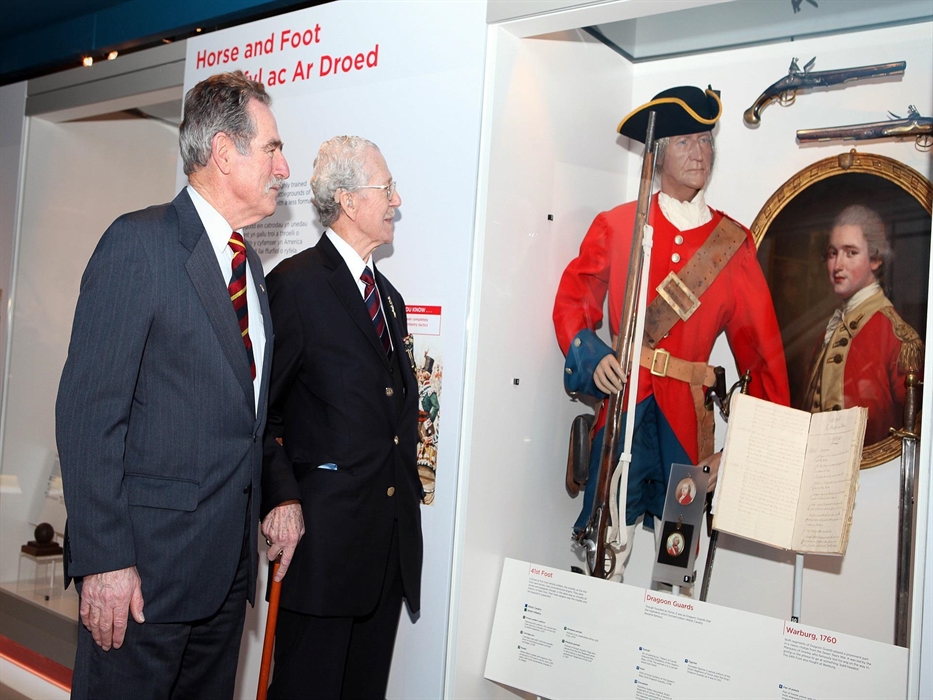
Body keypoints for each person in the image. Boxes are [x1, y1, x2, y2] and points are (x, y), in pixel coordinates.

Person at [56, 71, 288, 699]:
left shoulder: (251, 266)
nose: (283, 167)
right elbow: (88, 414)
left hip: (221, 580)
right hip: (140, 580)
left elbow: (244, 418)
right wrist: (104, 560)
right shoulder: (139, 243)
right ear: (223, 153)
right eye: (271, 148)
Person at [553, 85, 790, 575]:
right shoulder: (618, 227)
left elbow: (763, 355)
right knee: (605, 555)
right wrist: (594, 356)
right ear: (658, 155)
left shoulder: (733, 245)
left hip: (687, 428)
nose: (699, 153)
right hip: (624, 416)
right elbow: (574, 301)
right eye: (684, 141)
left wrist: (747, 447)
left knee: (675, 567)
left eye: (706, 141)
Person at [260, 135, 422, 699]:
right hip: (324, 555)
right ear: (350, 201)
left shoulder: (391, 299)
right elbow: (262, 416)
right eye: (387, 189)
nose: (397, 200)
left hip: (385, 555)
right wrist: (281, 498)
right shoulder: (295, 286)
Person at [801, 204, 923, 444]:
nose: (838, 265)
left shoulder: (895, 335)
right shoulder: (829, 331)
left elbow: (912, 430)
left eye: (851, 253)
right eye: (833, 253)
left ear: (876, 259)